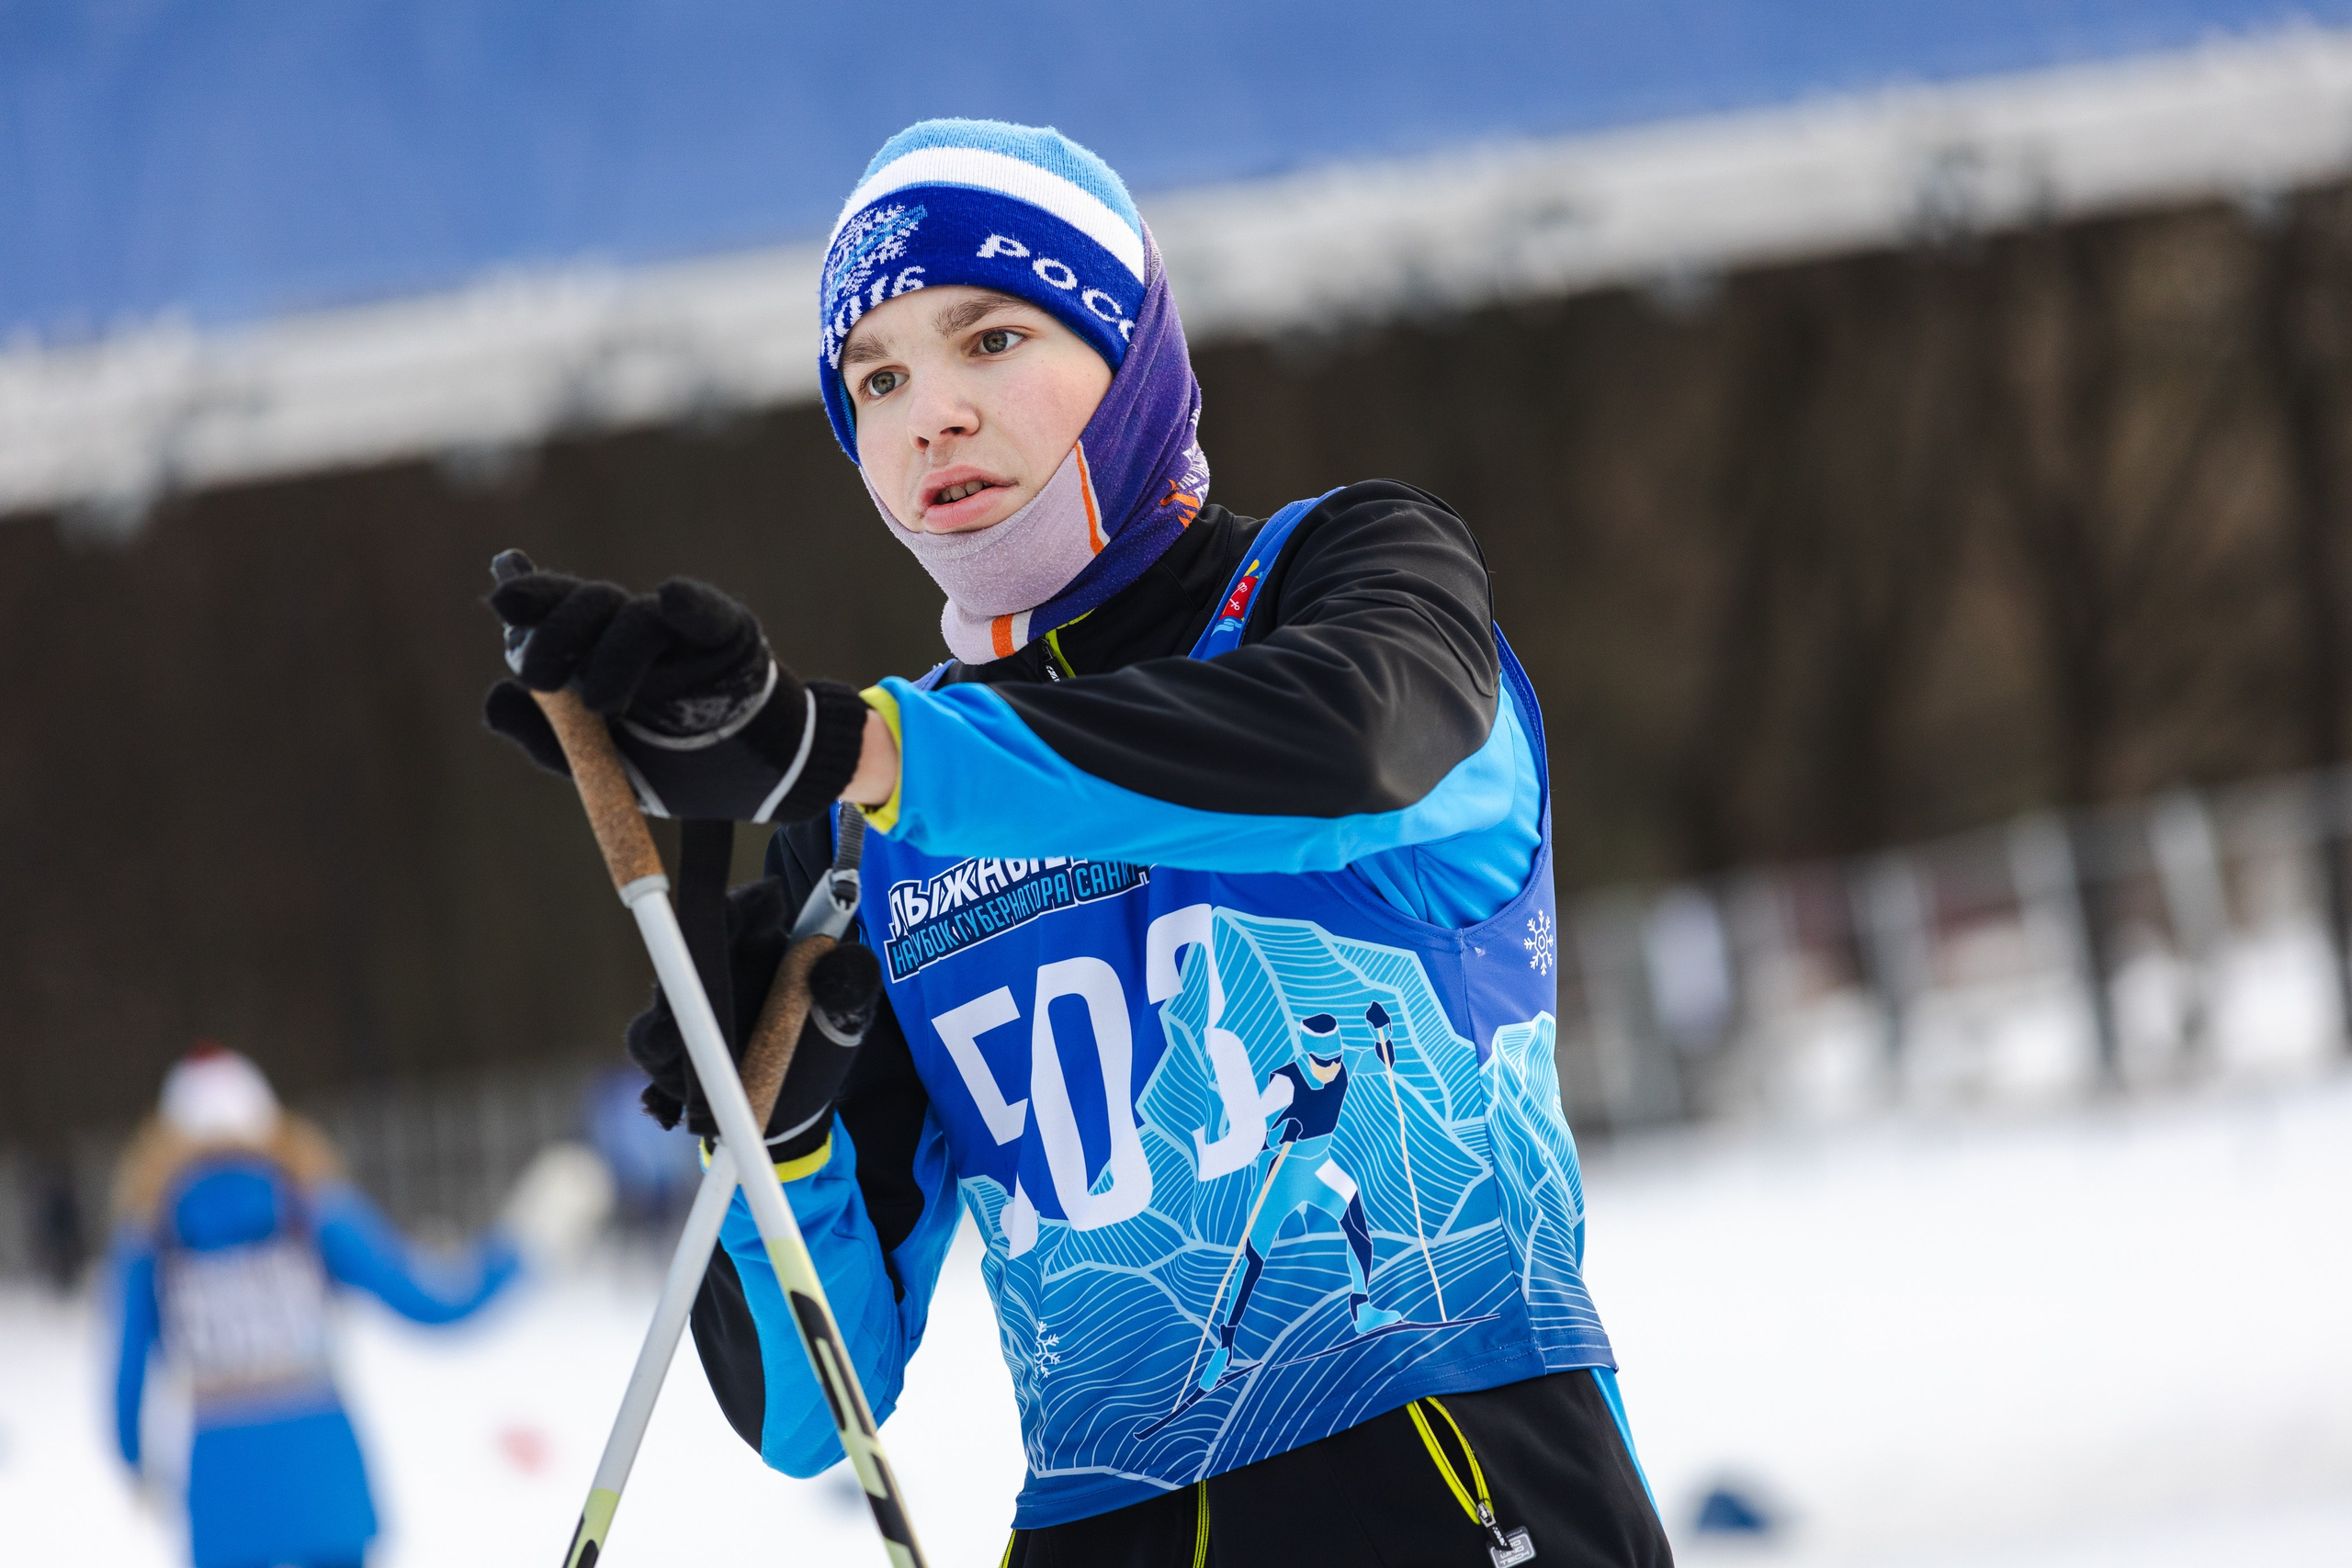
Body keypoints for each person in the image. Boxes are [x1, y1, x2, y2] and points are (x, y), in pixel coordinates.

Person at [487, 118, 1672, 1566]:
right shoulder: (870, 828)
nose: (930, 413)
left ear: (1131, 348)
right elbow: (812, 1412)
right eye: (878, 378)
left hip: (1455, 1496)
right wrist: (775, 1139)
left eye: (988, 339)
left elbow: (1361, 746)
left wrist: (858, 751)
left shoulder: (1345, 574)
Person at [108, 1045, 521, 1568]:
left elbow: (126, 1372)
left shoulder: (151, 1237)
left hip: (223, 1496)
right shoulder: (313, 1208)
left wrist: (134, 1460)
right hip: (326, 1484)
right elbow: (433, 1305)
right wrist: (524, 1251)